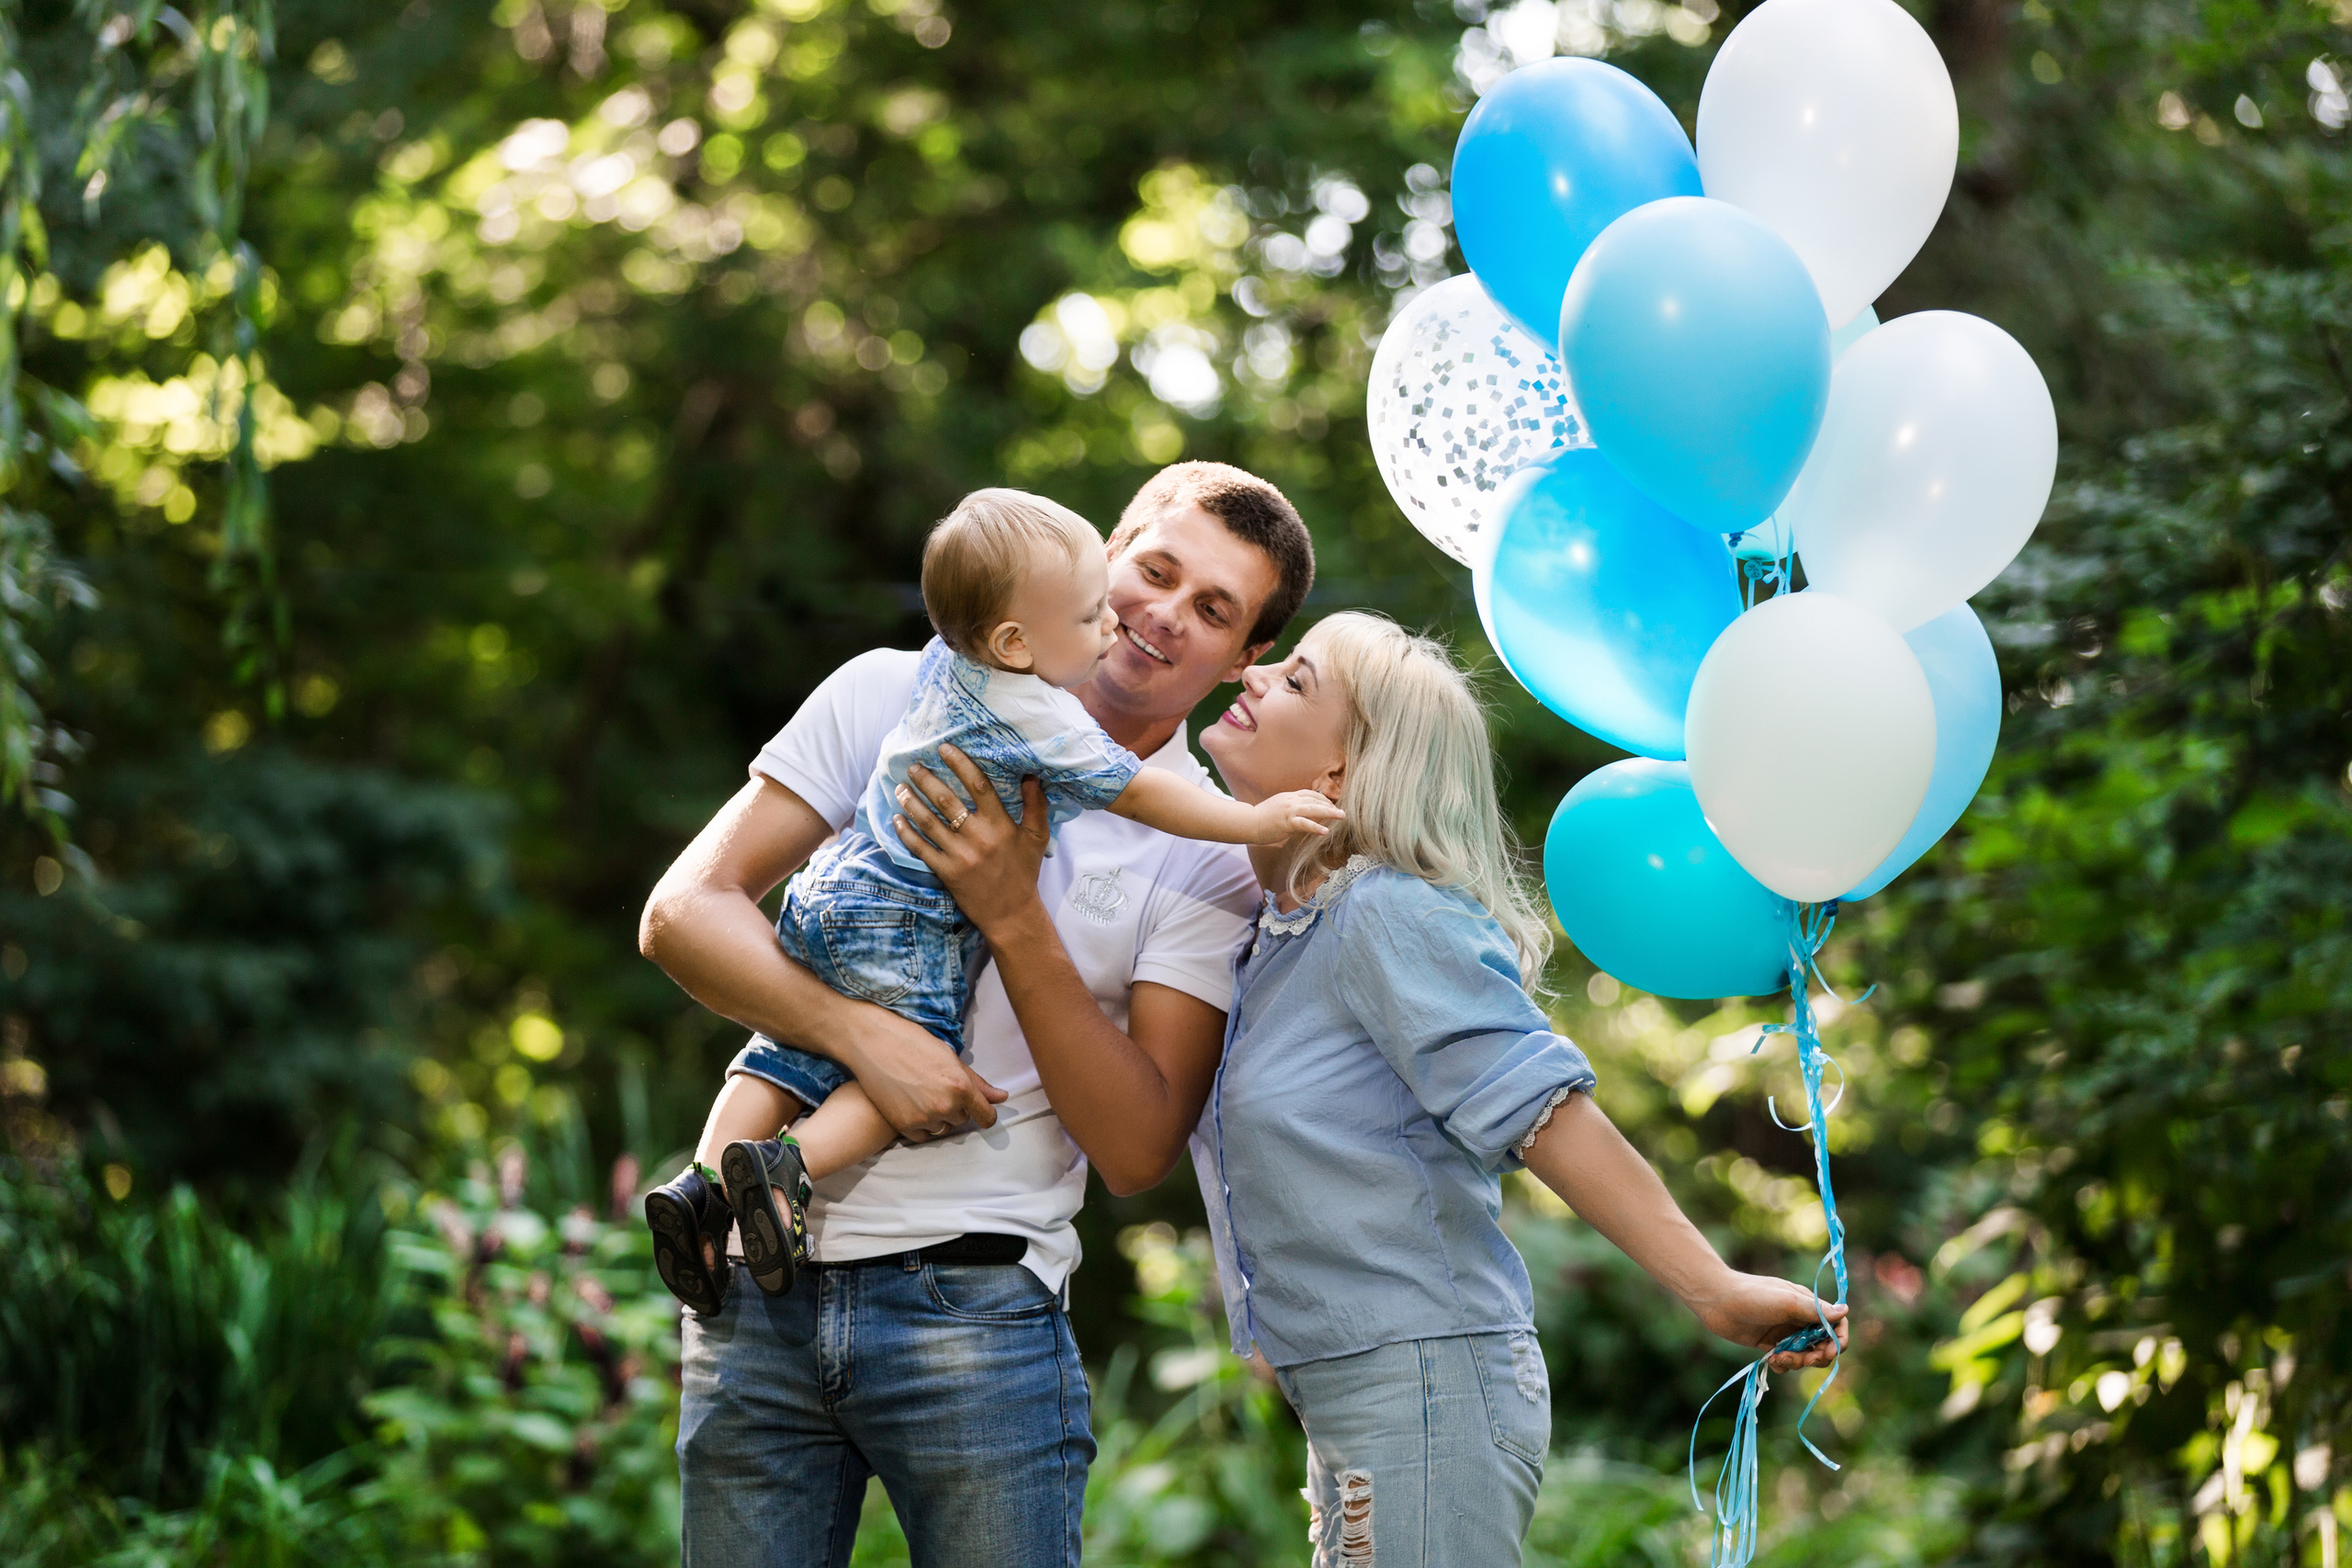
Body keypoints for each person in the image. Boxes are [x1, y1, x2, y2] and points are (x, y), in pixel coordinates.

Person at [638, 461, 1316, 1567]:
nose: (1159, 618)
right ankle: (717, 1190)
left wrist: (1013, 913)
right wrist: (869, 1043)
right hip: (753, 1306)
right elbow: (684, 914)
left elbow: (1140, 1146)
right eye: (1153, 571)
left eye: (1213, 611)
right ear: (1104, 551)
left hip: (972, 1313)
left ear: (1241, 658)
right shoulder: (885, 691)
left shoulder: (1209, 861)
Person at [1163, 611, 1848, 1566]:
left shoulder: (1385, 910)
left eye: (1296, 682)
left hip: (1425, 1388)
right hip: (1366, 1397)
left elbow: (1545, 1114)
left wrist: (1713, 1288)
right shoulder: (1281, 942)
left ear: (1339, 774)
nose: (1253, 678)